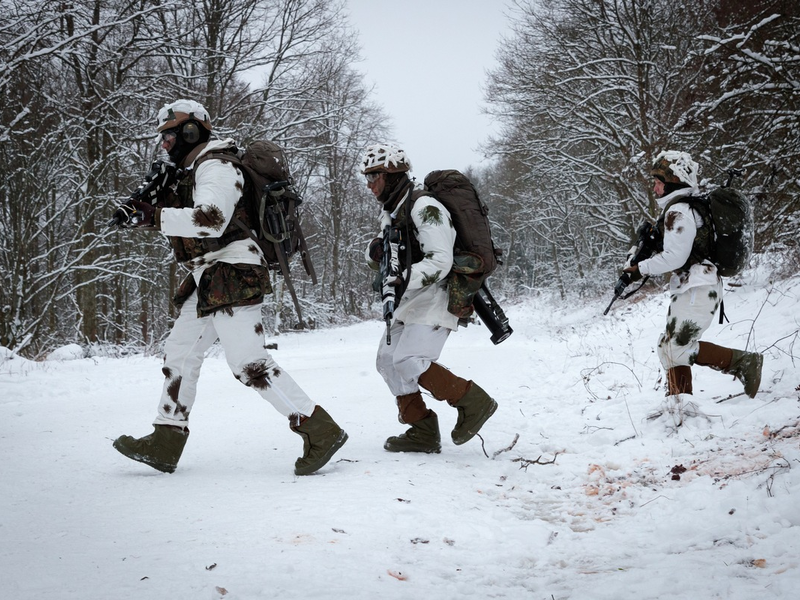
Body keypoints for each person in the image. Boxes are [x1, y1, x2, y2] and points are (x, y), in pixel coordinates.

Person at [111, 99, 347, 475]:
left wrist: (152, 216)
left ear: (191, 132)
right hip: (208, 273)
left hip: (233, 269)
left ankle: (319, 429)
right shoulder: (190, 171)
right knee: (181, 353)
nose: (164, 145)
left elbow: (212, 220)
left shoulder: (217, 165)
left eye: (169, 137)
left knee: (248, 363)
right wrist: (144, 210)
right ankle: (166, 438)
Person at [361, 143, 497, 453]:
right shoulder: (393, 210)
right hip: (410, 296)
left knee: (409, 360)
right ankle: (422, 429)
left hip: (439, 293)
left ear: (391, 174)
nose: (369, 186)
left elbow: (440, 261)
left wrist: (399, 283)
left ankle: (473, 402)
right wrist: (375, 255)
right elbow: (392, 257)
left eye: (373, 177)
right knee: (387, 361)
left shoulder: (424, 207)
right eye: (366, 178)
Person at [624, 150, 763, 422]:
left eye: (658, 181)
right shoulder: (680, 209)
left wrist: (641, 268)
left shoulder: (679, 211)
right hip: (692, 286)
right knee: (668, 346)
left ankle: (740, 366)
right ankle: (678, 403)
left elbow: (674, 256)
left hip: (700, 286)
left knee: (676, 346)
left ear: (674, 180)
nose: (654, 187)